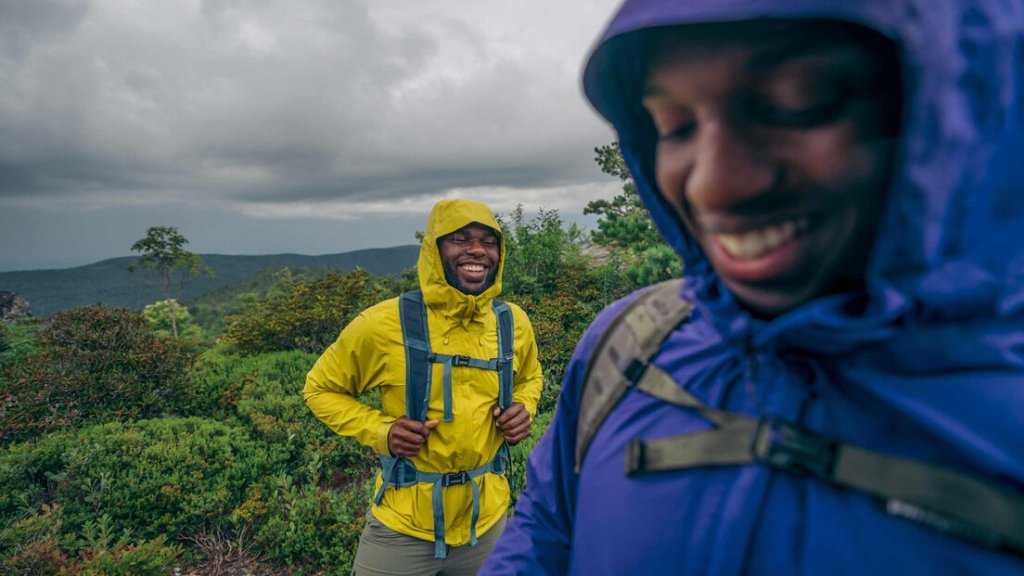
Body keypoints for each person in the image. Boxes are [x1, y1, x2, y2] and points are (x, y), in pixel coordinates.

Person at [483, 1, 1024, 574]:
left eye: (795, 103)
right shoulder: (628, 344)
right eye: (674, 126)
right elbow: (545, 526)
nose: (714, 185)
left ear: (959, 105)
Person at [304, 199, 543, 576]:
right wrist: (382, 431)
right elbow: (320, 388)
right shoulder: (383, 324)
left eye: (488, 241)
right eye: (460, 239)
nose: (477, 250)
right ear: (435, 249)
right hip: (403, 526)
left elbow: (530, 376)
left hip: (487, 522)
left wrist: (524, 407)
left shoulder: (511, 322)